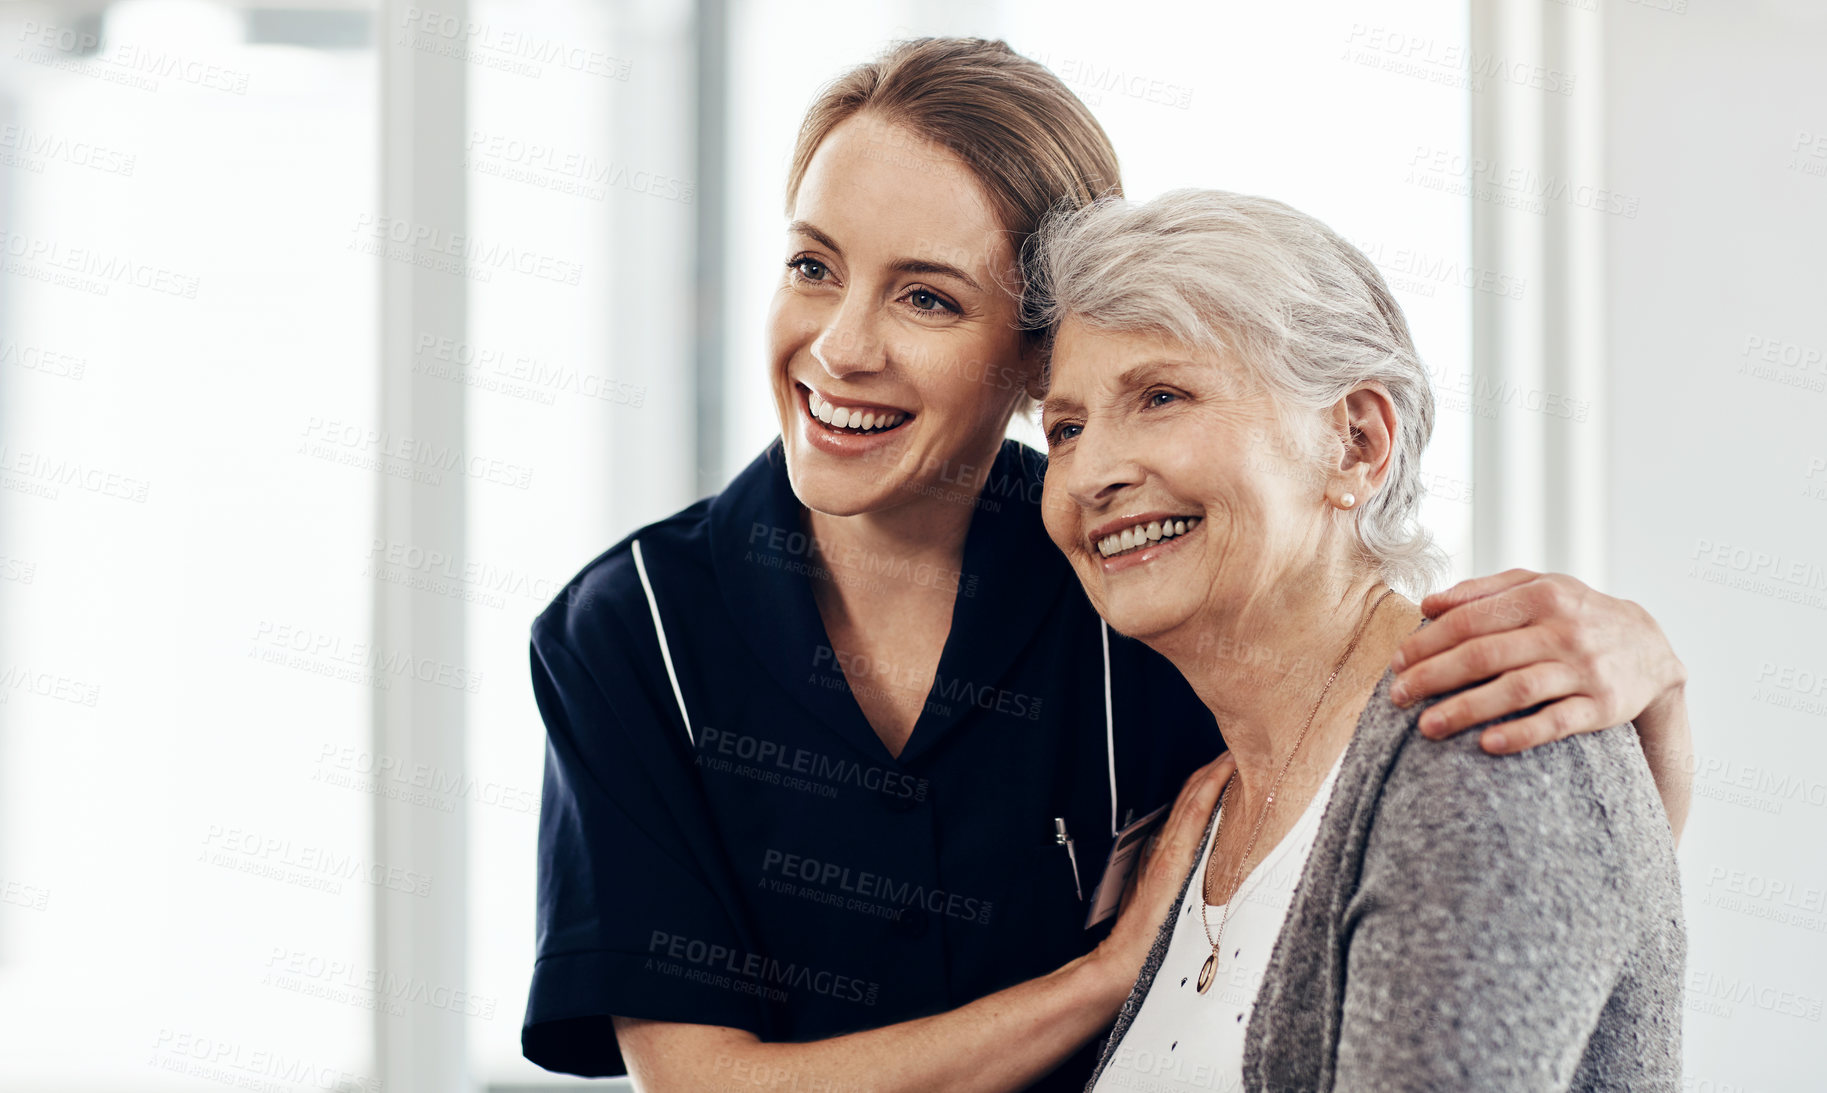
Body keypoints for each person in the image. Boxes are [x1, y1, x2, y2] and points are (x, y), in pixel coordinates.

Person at [523, 38, 1693, 1093]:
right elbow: (696, 1084)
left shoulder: (1143, 586)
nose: (840, 346)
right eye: (811, 265)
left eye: (927, 295)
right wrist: (1107, 977)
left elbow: (1458, 842)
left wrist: (1643, 686)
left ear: (1032, 355)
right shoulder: (635, 632)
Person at [1024, 188, 1683, 1091]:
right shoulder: (1202, 813)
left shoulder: (1479, 742)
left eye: (1162, 395)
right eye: (1066, 428)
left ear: (1357, 443)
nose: (1090, 472)